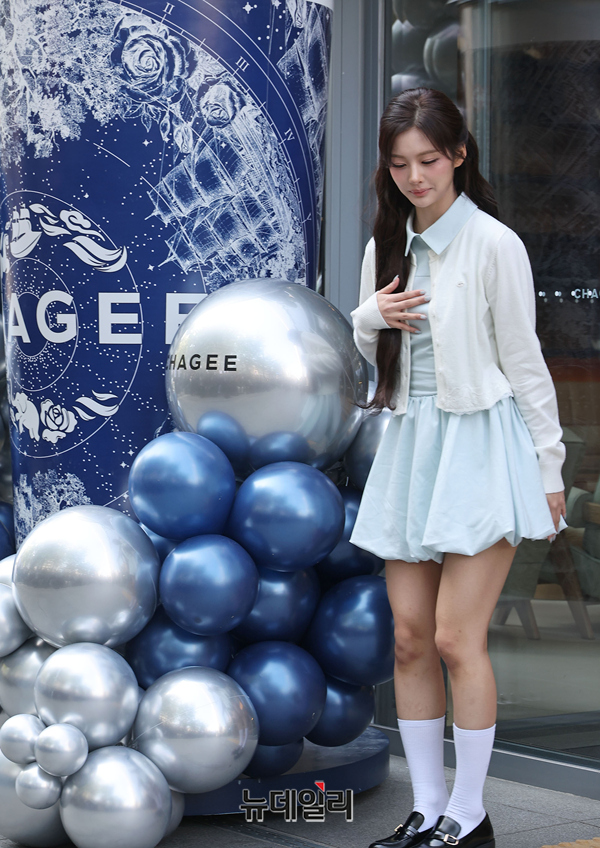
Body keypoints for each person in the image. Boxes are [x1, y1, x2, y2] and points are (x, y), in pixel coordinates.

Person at [349, 88, 566, 848]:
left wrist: (549, 468)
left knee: (453, 638)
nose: (415, 178)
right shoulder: (385, 247)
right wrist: (367, 317)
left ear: (459, 156)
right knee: (409, 639)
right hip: (413, 446)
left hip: (481, 446)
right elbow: (369, 349)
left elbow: (526, 364)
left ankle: (469, 816)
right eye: (400, 164)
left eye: (430, 161)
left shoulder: (495, 244)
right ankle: (428, 810)